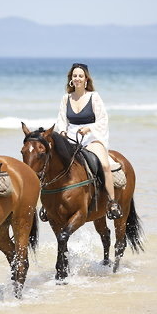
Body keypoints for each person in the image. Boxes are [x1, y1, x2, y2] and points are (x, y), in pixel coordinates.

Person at [54, 63, 122, 219]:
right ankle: (49, 202)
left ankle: (112, 202)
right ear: (71, 79)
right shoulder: (66, 98)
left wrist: (89, 129)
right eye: (75, 75)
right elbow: (61, 119)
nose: (77, 78)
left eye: (80, 76)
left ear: (86, 79)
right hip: (71, 138)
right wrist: (63, 131)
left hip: (92, 138)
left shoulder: (94, 96)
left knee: (105, 165)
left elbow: (103, 119)